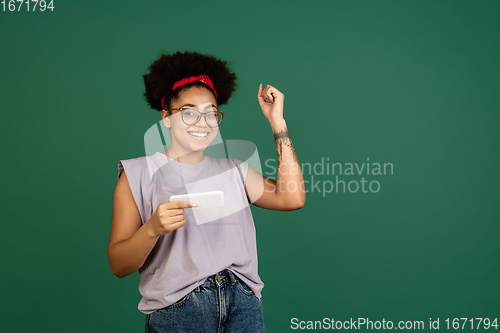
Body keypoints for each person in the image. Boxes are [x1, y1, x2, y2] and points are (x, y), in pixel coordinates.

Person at [108, 51, 305, 332]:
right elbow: (118, 265)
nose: (202, 122)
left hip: (243, 306)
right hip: (179, 313)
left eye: (211, 113)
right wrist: (152, 228)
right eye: (188, 112)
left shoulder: (235, 170)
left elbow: (292, 197)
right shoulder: (137, 174)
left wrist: (277, 121)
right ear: (166, 116)